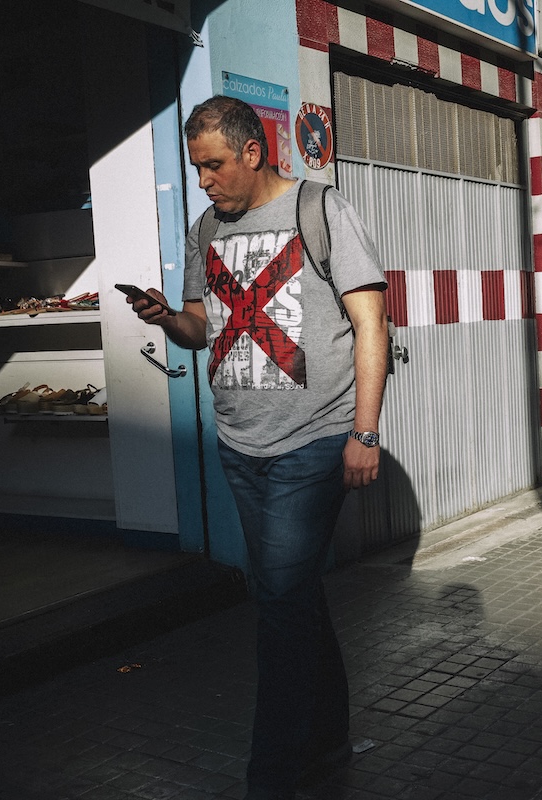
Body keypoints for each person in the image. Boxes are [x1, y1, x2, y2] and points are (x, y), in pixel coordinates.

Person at [125, 95, 389, 800]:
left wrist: (364, 432)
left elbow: (372, 324)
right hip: (241, 443)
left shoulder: (319, 209)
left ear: (252, 151)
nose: (204, 180)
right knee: (290, 594)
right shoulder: (206, 228)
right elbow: (199, 328)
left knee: (276, 604)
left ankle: (270, 777)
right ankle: (328, 740)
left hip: (316, 438)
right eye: (196, 168)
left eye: (214, 165)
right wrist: (166, 317)